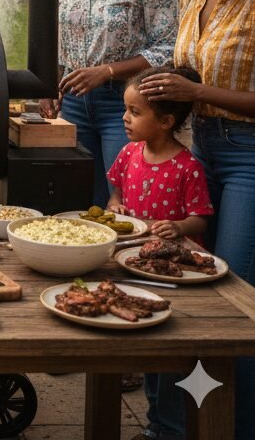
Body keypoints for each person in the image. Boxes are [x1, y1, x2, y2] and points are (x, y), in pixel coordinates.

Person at [141, 0, 255, 440]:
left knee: (232, 297)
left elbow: (205, 83)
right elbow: (187, 71)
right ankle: (173, 426)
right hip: (196, 147)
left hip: (247, 156)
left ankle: (237, 426)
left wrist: (194, 88)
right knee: (178, 286)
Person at [44, 0, 178, 206]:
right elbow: (55, 36)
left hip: (127, 104)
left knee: (127, 200)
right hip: (73, 101)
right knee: (80, 200)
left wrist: (106, 71)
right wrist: (48, 86)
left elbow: (168, 46)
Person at [109, 66, 212, 440]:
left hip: (172, 275)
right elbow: (115, 192)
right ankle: (156, 423)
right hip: (136, 265)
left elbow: (200, 219)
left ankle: (168, 427)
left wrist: (180, 227)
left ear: (166, 121)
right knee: (147, 350)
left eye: (135, 112)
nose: (125, 118)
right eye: (126, 110)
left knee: (168, 352)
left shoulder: (187, 167)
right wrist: (116, 206)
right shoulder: (128, 153)